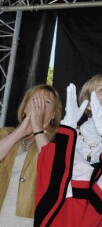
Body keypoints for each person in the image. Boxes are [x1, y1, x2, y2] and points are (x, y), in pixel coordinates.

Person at [35, 73, 102, 227]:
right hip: (68, 218)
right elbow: (48, 169)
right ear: (87, 104)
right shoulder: (69, 136)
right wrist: (68, 127)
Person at [0, 84, 63, 227]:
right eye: (35, 100)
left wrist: (37, 128)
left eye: (46, 102)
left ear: (54, 114)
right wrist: (20, 132)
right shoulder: (4, 133)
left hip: (32, 219)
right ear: (24, 107)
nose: (39, 106)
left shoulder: (59, 140)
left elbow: (53, 167)